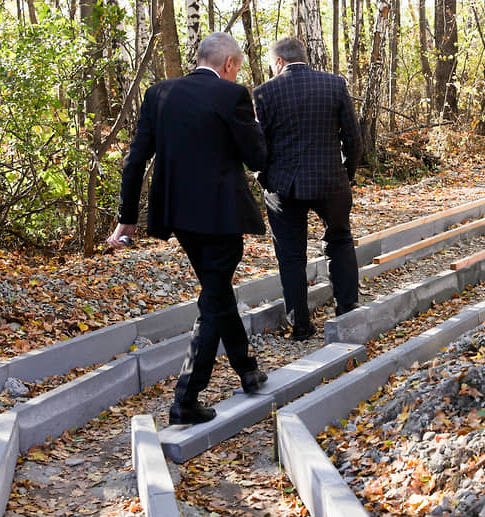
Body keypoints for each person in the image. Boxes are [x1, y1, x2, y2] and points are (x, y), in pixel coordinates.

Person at [106, 32, 269, 426]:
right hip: (221, 216)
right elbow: (256, 157)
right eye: (237, 69)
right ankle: (186, 398)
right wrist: (255, 129)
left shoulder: (158, 94)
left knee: (216, 287)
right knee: (213, 298)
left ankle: (247, 368)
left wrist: (126, 217)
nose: (236, 75)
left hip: (178, 217)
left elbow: (134, 160)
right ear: (228, 64)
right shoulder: (232, 96)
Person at [253, 37, 363, 341]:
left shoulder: (264, 93)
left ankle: (300, 324)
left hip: (282, 186)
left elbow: (258, 146)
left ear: (278, 62)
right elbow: (353, 138)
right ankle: (347, 308)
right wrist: (346, 174)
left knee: (290, 255)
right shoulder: (334, 84)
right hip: (331, 181)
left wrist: (264, 175)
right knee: (340, 240)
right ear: (304, 57)